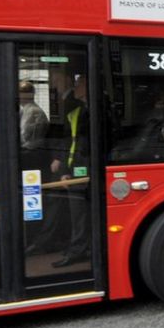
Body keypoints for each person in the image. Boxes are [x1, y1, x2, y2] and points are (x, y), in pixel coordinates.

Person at [52, 73, 91, 268]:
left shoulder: (96, 111)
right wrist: (65, 169)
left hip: (89, 171)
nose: (75, 87)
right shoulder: (76, 112)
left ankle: (79, 250)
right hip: (79, 169)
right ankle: (78, 248)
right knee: (78, 214)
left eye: (79, 83)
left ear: (87, 86)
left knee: (80, 214)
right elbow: (70, 142)